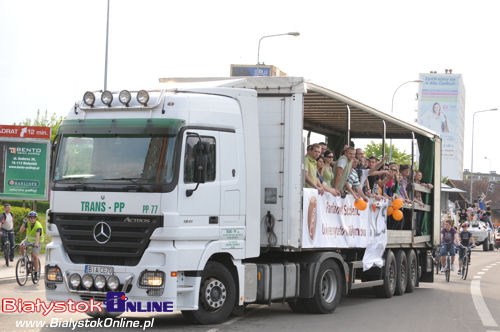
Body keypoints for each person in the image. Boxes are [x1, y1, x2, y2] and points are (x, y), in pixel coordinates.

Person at [19, 211, 42, 279]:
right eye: (31, 218)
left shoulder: (38, 225)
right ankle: (23, 259)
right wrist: (24, 223)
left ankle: (35, 272)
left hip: (37, 242)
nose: (32, 219)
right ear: (29, 218)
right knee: (21, 245)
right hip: (28, 240)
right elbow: (21, 231)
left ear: (35, 218)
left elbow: (38, 236)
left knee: (34, 256)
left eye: (34, 218)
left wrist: (36, 244)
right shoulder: (27, 223)